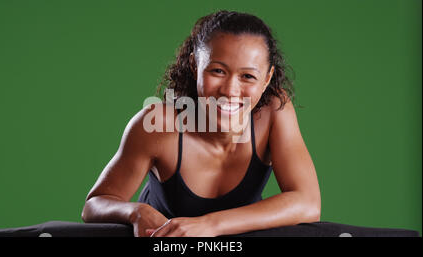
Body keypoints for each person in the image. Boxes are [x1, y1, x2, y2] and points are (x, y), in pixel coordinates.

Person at [81, 10, 321, 237]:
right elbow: (93, 205)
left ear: (267, 78)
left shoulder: (274, 112)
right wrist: (136, 212)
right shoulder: (159, 123)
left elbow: (308, 202)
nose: (230, 90)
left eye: (247, 76)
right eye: (217, 71)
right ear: (195, 65)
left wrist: (210, 225)